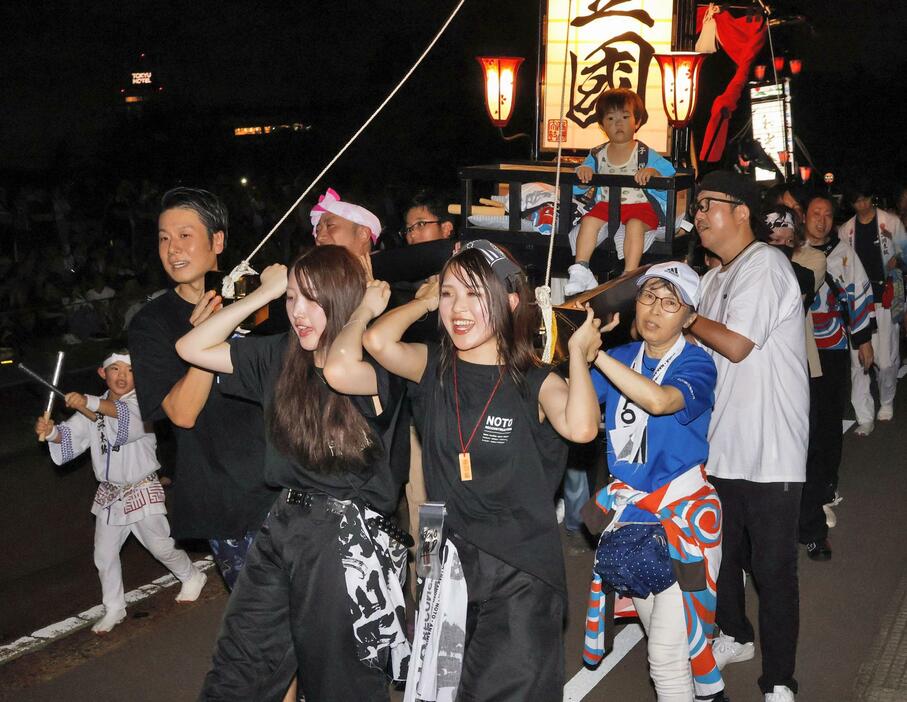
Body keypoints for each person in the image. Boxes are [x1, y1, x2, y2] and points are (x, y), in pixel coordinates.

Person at [362, 239, 604, 700]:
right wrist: (425, 299)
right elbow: (376, 341)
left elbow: (582, 428)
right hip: (446, 560)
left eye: (477, 293)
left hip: (520, 570)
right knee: (445, 690)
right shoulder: (432, 367)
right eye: (452, 293)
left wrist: (577, 356)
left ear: (511, 301)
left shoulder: (535, 379)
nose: (460, 308)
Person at [178, 245, 411, 701]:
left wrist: (363, 311)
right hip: (283, 523)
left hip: (346, 541)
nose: (298, 312)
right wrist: (263, 293)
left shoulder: (377, 363)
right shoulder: (279, 355)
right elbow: (191, 346)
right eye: (292, 299)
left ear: (342, 298)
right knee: (240, 666)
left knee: (339, 683)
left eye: (312, 299)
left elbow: (340, 368)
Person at [689, 171, 809, 702]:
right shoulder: (714, 279)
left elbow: (735, 345)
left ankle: (780, 679)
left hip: (771, 450)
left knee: (773, 568)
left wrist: (683, 316)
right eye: (694, 207)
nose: (696, 215)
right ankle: (735, 634)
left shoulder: (767, 264)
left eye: (705, 205)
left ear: (741, 211)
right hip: (722, 445)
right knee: (722, 556)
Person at [582, 262, 724, 702]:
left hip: (686, 518)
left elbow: (661, 401)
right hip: (632, 518)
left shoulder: (698, 363)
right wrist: (573, 348)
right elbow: (575, 413)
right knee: (665, 639)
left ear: (688, 317)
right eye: (648, 297)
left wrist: (597, 356)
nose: (655, 310)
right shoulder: (623, 357)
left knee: (663, 655)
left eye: (670, 302)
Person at [128, 188, 276, 590]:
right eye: (163, 237)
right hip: (230, 499)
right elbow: (181, 413)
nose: (172, 248)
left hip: (293, 483)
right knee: (263, 629)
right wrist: (203, 337)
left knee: (325, 619)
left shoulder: (258, 300)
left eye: (184, 235)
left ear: (218, 241)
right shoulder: (150, 324)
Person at [34, 351, 206, 634]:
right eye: (115, 369)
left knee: (160, 546)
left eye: (129, 370)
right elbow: (71, 439)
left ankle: (192, 576)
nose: (122, 376)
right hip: (110, 494)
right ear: (103, 374)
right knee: (104, 554)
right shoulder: (94, 408)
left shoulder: (145, 403)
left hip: (142, 487)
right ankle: (114, 606)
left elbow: (125, 420)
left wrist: (90, 402)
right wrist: (52, 432)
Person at [802, 193, 874, 558]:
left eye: (828, 215)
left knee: (829, 424)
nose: (822, 220)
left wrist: (863, 340)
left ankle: (825, 490)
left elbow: (859, 293)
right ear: (804, 217)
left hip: (830, 351)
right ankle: (801, 497)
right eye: (816, 213)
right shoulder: (788, 252)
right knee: (801, 427)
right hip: (795, 352)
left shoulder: (844, 254)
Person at [566, 88, 676, 294]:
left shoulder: (644, 153)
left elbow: (669, 173)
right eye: (610, 118)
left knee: (634, 225)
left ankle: (629, 275)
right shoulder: (597, 154)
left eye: (625, 117)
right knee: (588, 221)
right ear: (601, 125)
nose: (618, 123)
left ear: (638, 122)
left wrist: (653, 172)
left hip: (640, 207)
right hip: (606, 205)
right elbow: (578, 186)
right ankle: (581, 268)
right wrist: (584, 173)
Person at [839, 181, 906, 428]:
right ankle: (864, 412)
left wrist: (898, 262)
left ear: (871, 197)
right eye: (857, 201)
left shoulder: (891, 222)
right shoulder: (846, 230)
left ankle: (887, 399)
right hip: (858, 303)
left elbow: (906, 254)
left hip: (886, 297)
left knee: (886, 359)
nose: (862, 205)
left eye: (865, 198)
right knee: (858, 362)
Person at [311, 187, 382, 279]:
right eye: (317, 230)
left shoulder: (391, 279)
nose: (319, 238)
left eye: (330, 226)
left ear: (363, 234)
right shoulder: (314, 280)